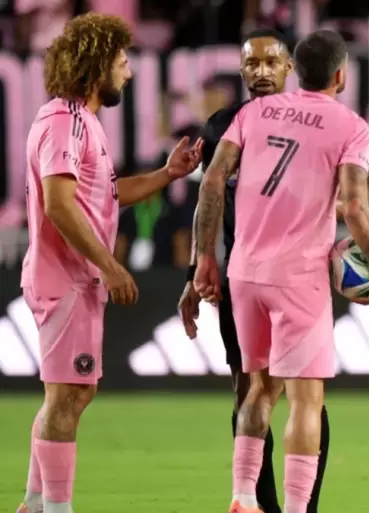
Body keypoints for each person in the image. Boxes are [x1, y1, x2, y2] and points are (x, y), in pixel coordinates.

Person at [192, 29, 369, 513]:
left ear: (295, 71)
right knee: (306, 400)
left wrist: (204, 258)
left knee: (258, 389)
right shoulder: (350, 127)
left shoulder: (251, 114)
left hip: (244, 271)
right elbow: (354, 206)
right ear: (341, 75)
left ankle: (243, 496)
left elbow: (213, 180)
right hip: (299, 276)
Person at [16, 13, 202, 513]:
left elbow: (106, 195)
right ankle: (55, 508)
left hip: (73, 279)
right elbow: (59, 205)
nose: (130, 71)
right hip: (65, 279)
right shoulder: (64, 122)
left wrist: (166, 174)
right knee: (67, 397)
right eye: (122, 61)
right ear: (98, 65)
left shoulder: (82, 122)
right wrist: (110, 266)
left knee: (70, 395)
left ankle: (35, 503)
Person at [177, 28, 332, 513]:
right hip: (240, 278)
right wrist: (196, 270)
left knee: (306, 395)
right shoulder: (222, 126)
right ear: (241, 70)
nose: (261, 72)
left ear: (289, 67)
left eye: (271, 62)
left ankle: (303, 506)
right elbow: (207, 199)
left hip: (298, 275)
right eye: (251, 63)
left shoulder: (314, 122)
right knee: (248, 389)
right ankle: (260, 504)